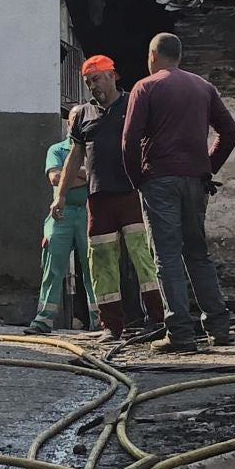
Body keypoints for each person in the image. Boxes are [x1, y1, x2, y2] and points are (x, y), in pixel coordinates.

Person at [120, 33, 235, 352]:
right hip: (195, 180)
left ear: (153, 55)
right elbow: (229, 132)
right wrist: (208, 166)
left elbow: (129, 142)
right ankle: (219, 326)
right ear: (179, 56)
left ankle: (181, 334)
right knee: (197, 253)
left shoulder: (146, 87)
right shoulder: (203, 87)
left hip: (159, 179)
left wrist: (138, 179)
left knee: (167, 255)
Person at [52, 54, 164, 339]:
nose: (93, 85)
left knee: (143, 256)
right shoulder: (84, 115)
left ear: (113, 76)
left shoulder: (133, 105)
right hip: (98, 197)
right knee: (101, 261)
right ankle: (112, 326)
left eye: (97, 78)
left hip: (132, 193)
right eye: (88, 81)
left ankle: (158, 319)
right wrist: (60, 196)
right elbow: (75, 156)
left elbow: (152, 142)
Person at [26, 129, 97, 334]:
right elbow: (56, 178)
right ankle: (44, 319)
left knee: (93, 267)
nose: (77, 124)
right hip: (61, 214)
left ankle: (99, 321)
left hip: (88, 213)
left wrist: (71, 174)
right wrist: (84, 172)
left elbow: (97, 174)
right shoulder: (56, 150)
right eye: (74, 120)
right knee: (53, 266)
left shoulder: (92, 148)